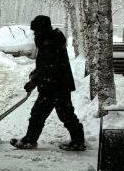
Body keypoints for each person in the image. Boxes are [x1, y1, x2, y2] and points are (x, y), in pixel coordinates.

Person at [10, 14, 85, 151]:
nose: (34, 34)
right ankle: (31, 139)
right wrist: (35, 75)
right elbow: (45, 65)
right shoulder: (49, 40)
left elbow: (49, 67)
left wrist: (34, 81)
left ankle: (77, 141)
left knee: (60, 114)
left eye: (36, 31)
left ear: (43, 29)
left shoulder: (49, 43)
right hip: (55, 84)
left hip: (56, 85)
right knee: (44, 113)